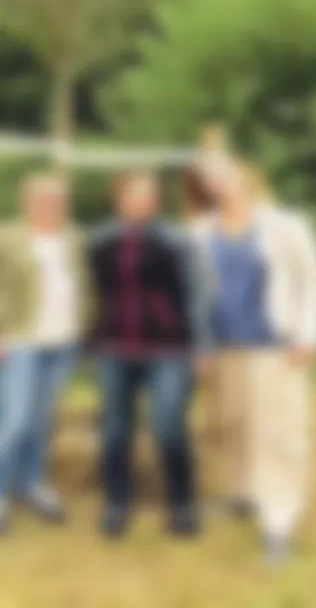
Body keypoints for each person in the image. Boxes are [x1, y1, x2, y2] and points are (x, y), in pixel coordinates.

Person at [190, 152, 316, 565]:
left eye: (226, 175)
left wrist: (307, 335)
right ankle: (241, 494)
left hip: (275, 347)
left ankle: (278, 523)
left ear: (245, 176)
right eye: (211, 179)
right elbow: (194, 295)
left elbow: (312, 280)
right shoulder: (201, 232)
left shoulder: (284, 226)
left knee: (278, 434)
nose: (220, 184)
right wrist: (200, 346)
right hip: (224, 348)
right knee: (230, 426)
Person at [84, 168, 205, 539]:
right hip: (113, 348)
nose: (143, 200)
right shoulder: (98, 241)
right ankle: (116, 503)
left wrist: (202, 345)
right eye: (135, 194)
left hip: (167, 348)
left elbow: (198, 294)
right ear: (118, 198)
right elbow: (87, 292)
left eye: (150, 194)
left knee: (169, 426)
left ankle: (181, 503)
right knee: (115, 429)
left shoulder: (177, 240)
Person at [0, 172, 87, 531]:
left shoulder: (74, 238)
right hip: (20, 341)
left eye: (60, 200)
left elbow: (83, 285)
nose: (54, 206)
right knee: (14, 420)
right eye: (46, 200)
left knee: (41, 420)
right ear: (27, 203)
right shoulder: (7, 238)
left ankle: (31, 483)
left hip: (62, 342)